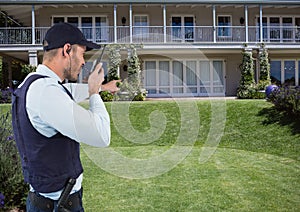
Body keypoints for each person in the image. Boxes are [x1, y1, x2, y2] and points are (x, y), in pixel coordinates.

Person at [12, 22, 119, 211]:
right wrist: (94, 92)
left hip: (46, 202)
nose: (84, 61)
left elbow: (69, 92)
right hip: (59, 206)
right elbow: (102, 136)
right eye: (82, 53)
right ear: (67, 50)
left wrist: (102, 87)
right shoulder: (47, 92)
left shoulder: (34, 84)